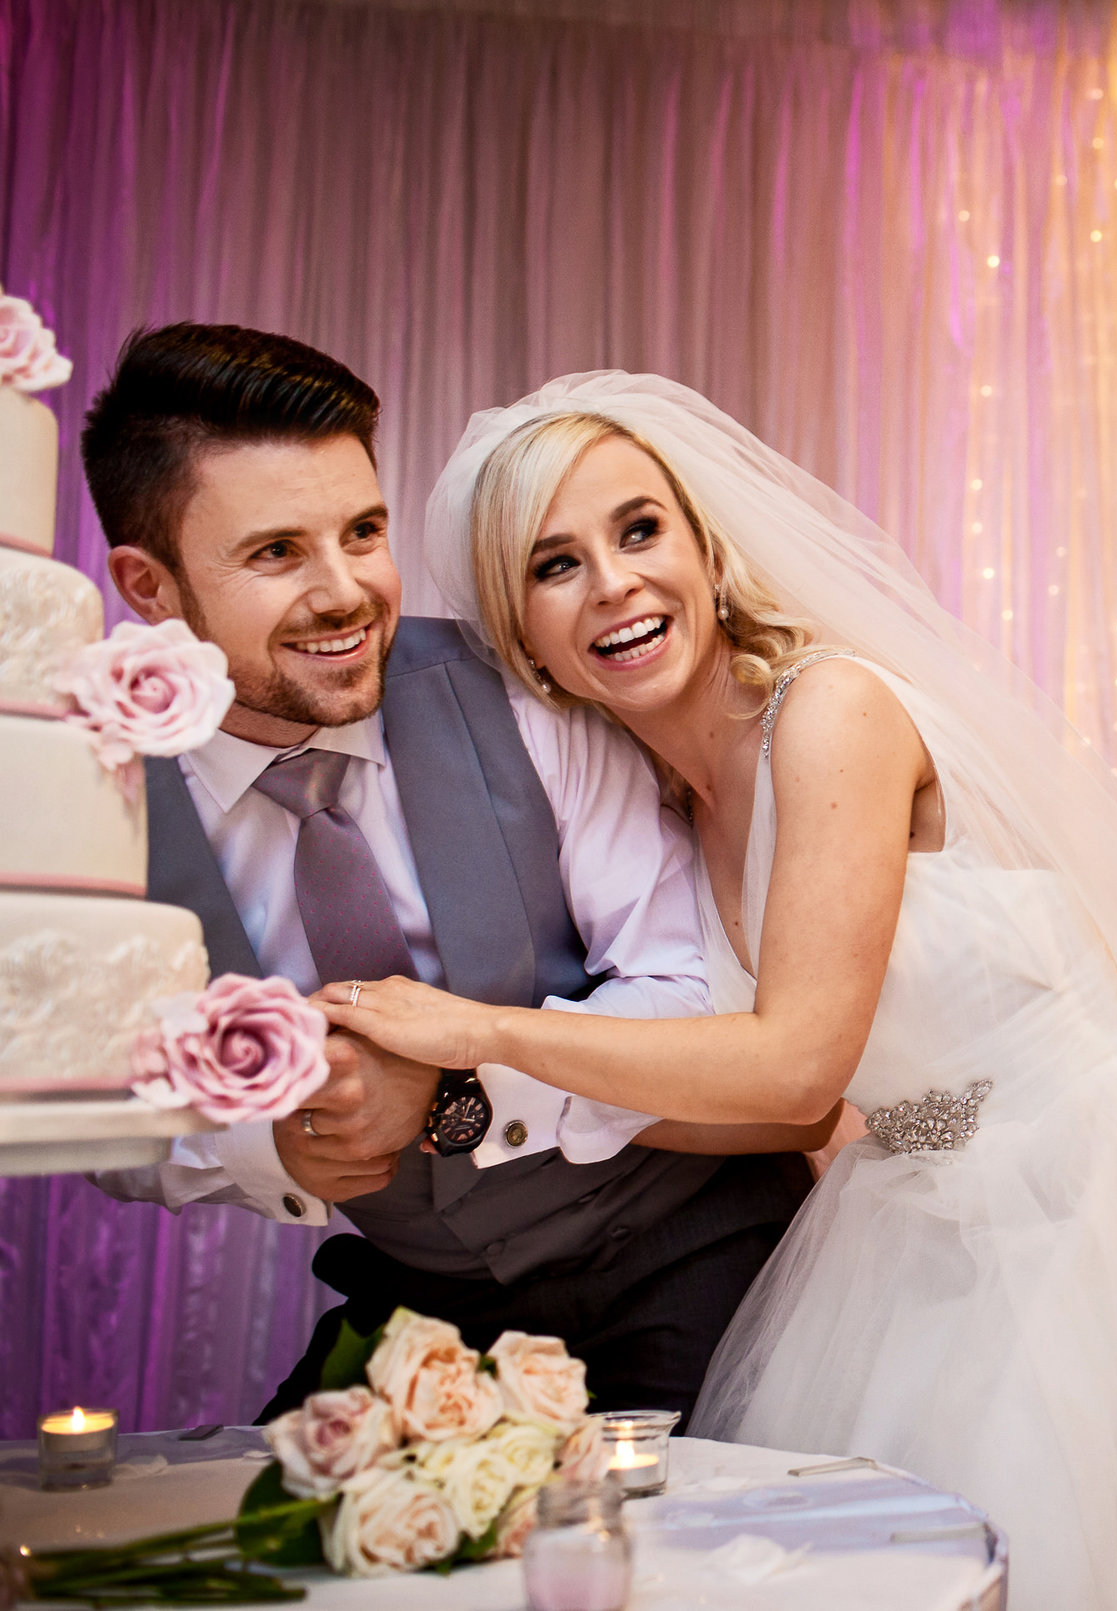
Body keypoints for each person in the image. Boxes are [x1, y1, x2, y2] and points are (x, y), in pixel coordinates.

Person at [311, 372, 1117, 1611]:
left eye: (639, 530)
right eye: (554, 563)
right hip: (907, 1200)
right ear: (521, 630)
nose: (615, 583)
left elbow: (798, 1061)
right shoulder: (652, 804)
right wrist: (463, 1097)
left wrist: (474, 1029)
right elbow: (791, 1119)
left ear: (703, 545)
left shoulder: (831, 713)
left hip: (1092, 1195)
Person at [83, 324, 827, 1418]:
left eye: (364, 531)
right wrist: (267, 1138)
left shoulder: (524, 698)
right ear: (151, 585)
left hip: (686, 1250)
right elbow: (92, 1098)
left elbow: (685, 984)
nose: (347, 594)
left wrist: (455, 1093)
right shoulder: (94, 801)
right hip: (423, 1297)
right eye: (277, 552)